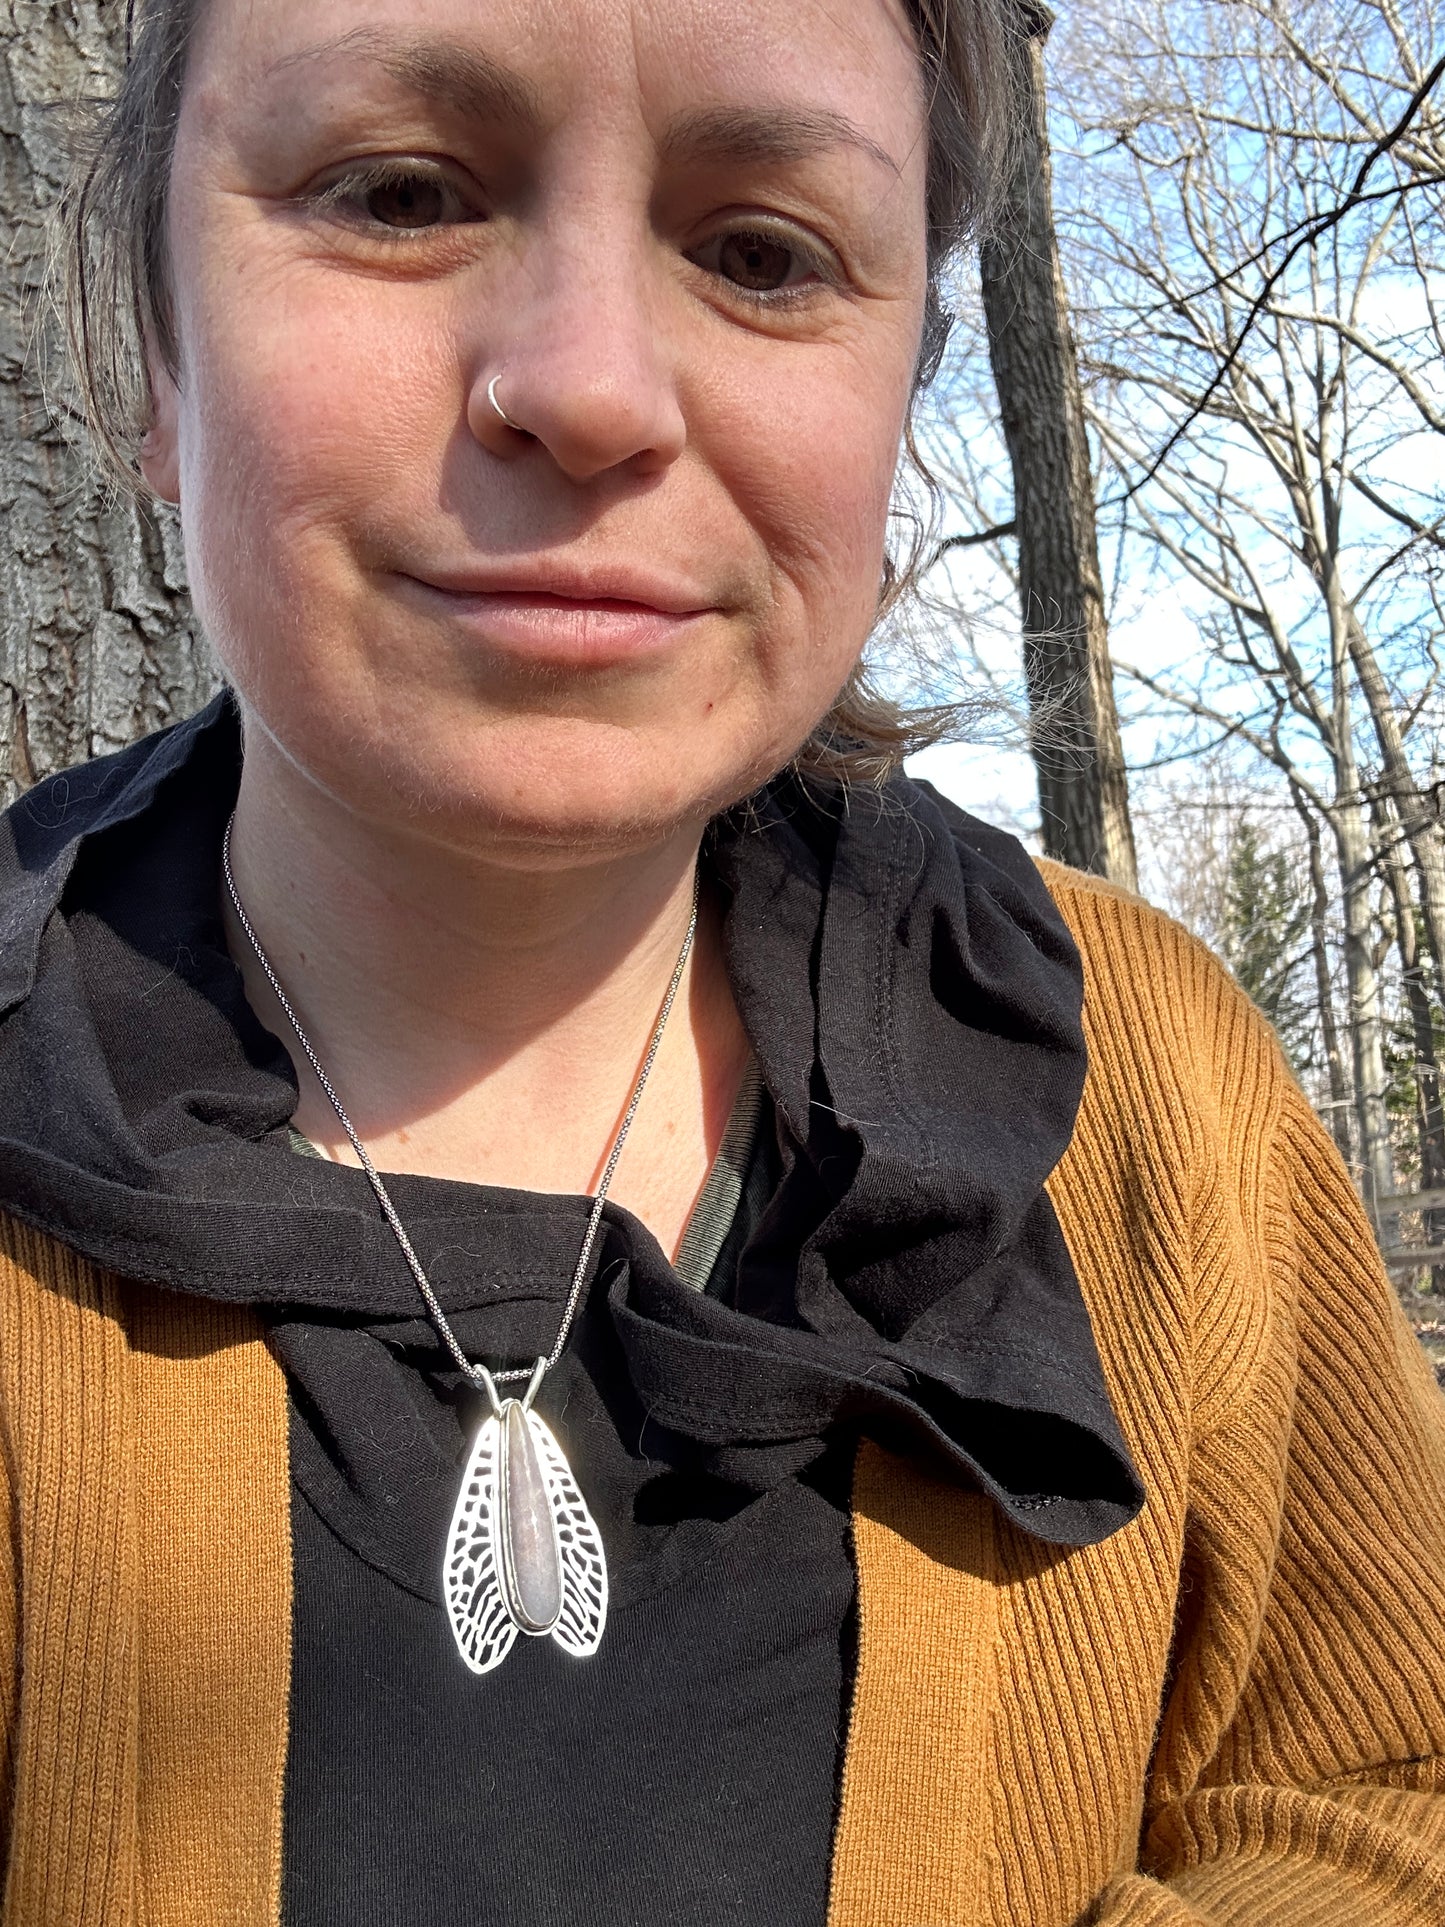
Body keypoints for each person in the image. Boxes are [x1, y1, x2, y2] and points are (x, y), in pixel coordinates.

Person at [2, 0, 1443, 1919]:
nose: (592, 389)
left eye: (761, 251)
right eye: (403, 192)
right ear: (151, 362)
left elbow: (1382, 1776)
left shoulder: (1142, 1085)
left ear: (898, 397)